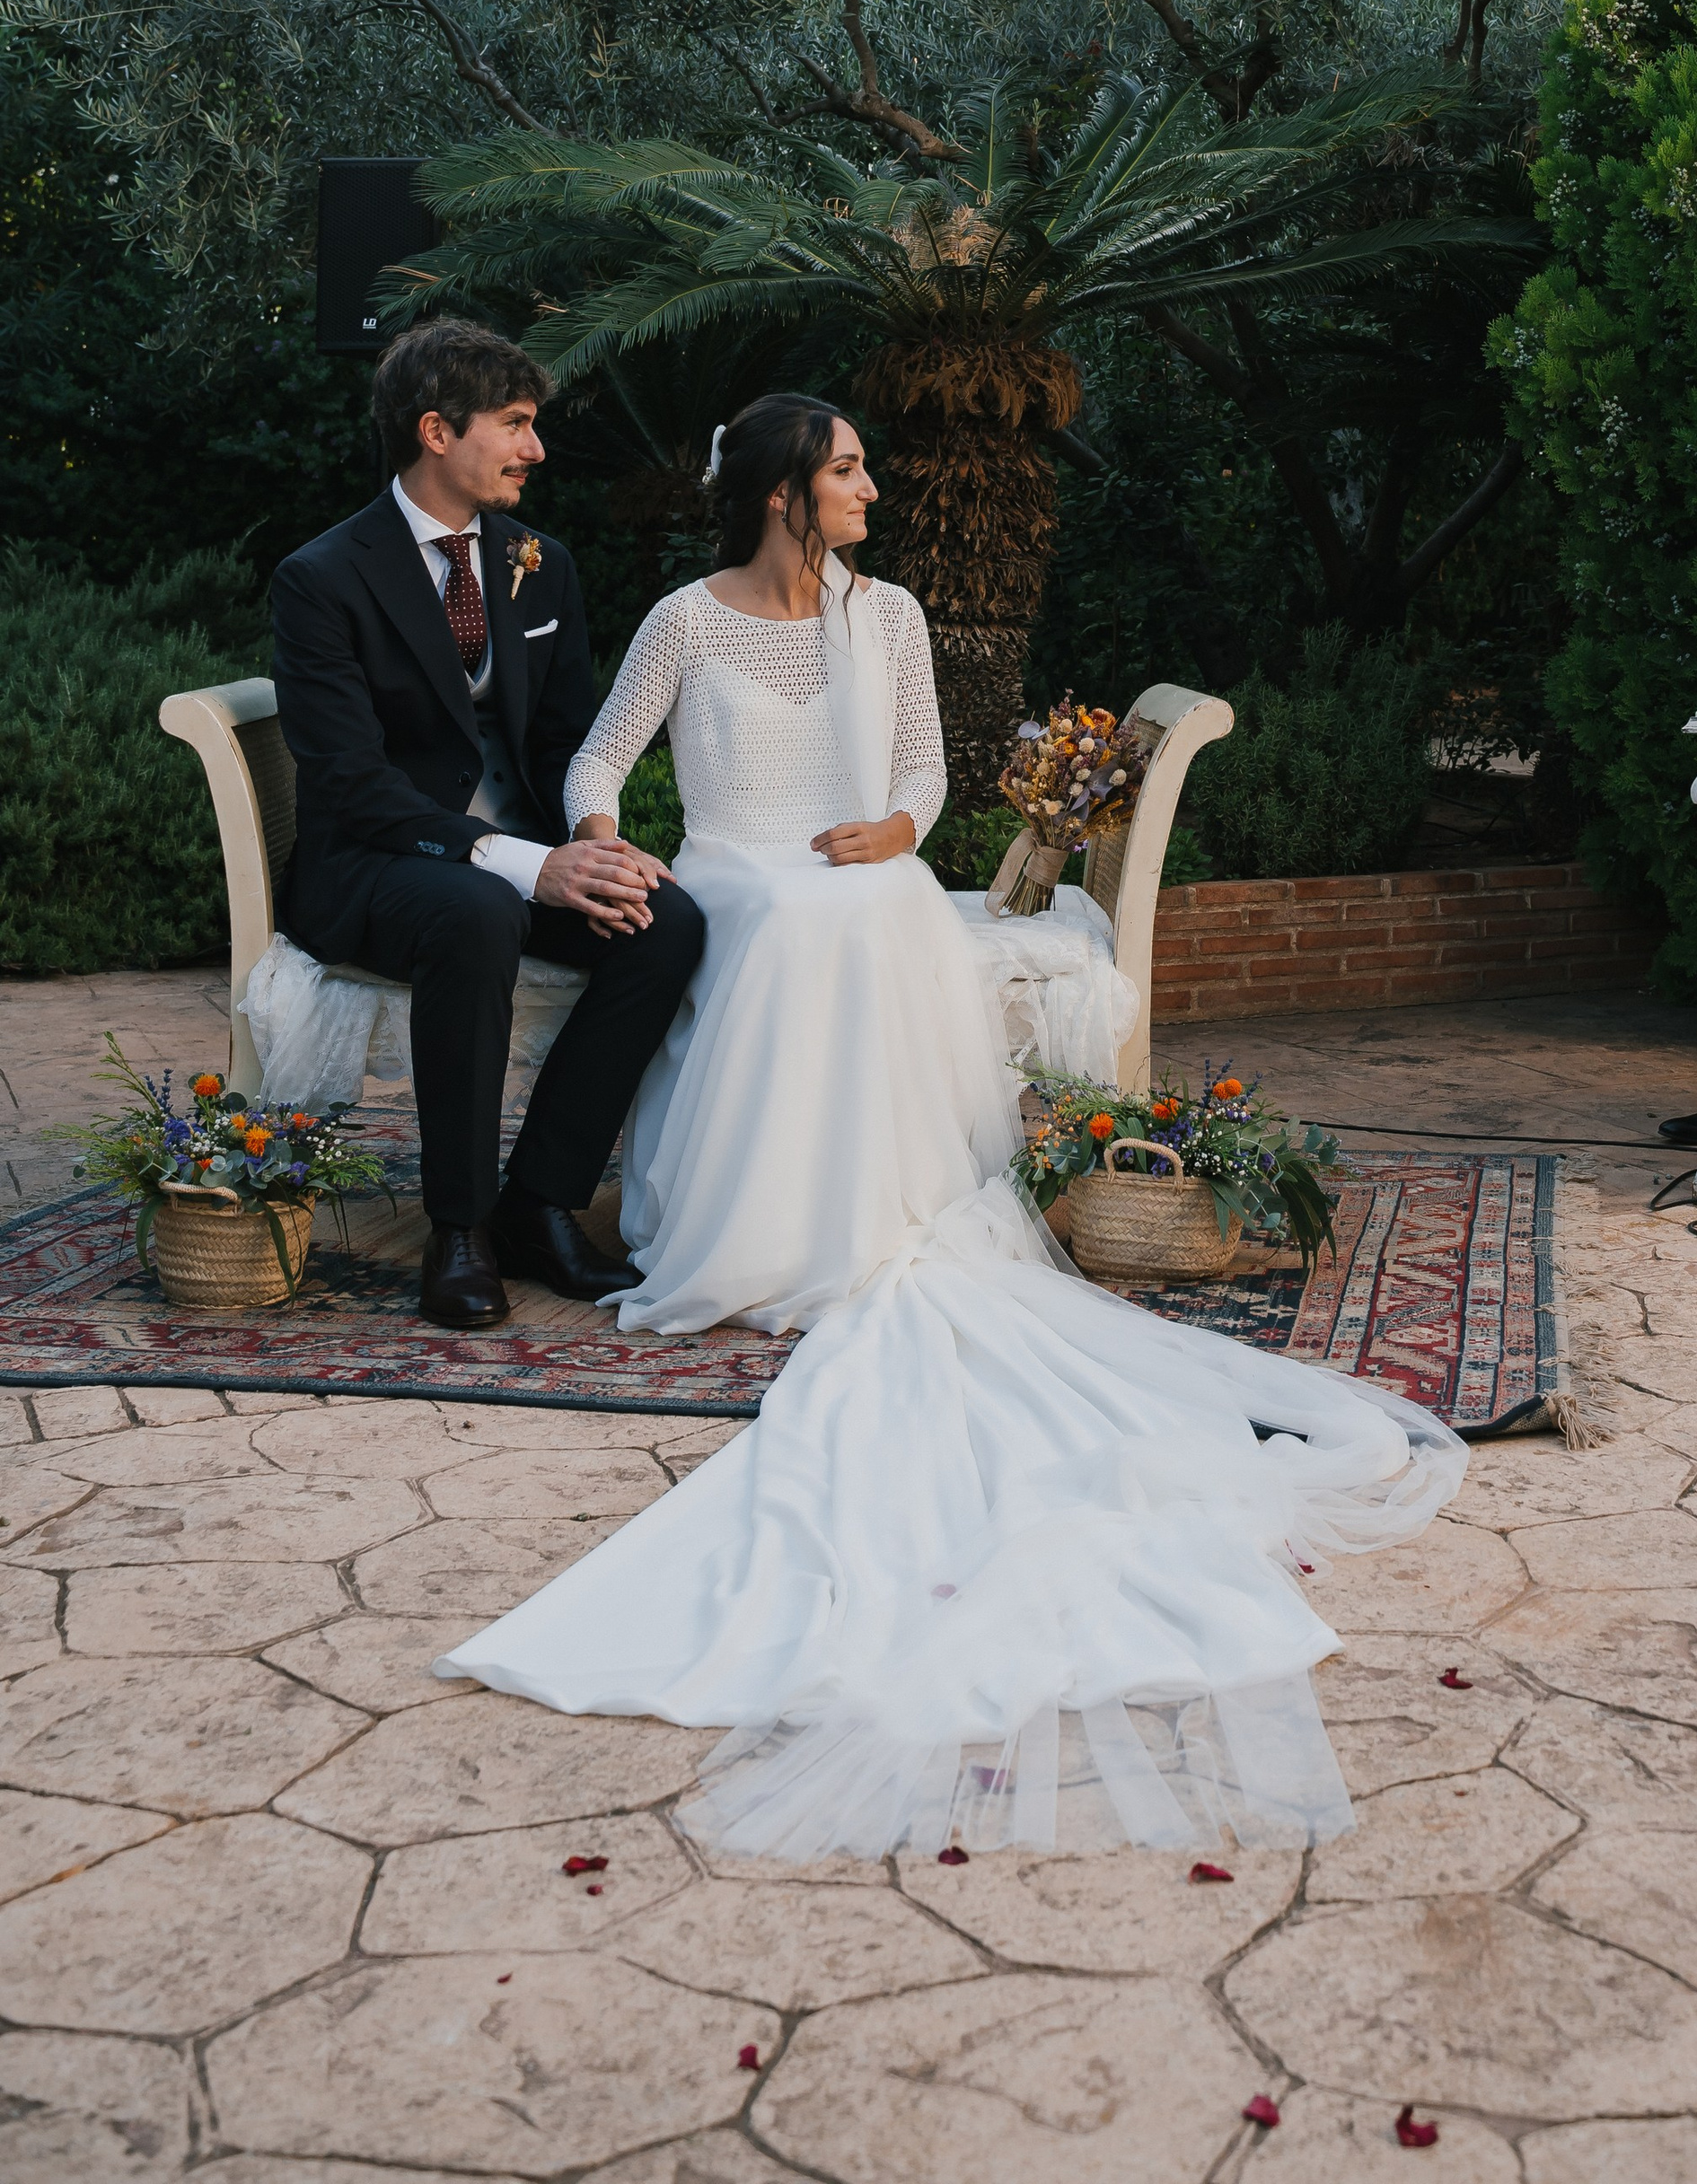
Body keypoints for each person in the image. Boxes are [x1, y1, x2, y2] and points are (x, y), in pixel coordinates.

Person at [436, 392, 1464, 1861]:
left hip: (860, 870)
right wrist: (602, 834)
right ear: (787, 492)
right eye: (849, 469)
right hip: (737, 869)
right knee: (802, 920)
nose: (873, 485)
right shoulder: (685, 618)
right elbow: (598, 762)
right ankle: (773, 1223)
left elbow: (920, 771)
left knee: (873, 906)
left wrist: (900, 830)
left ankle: (877, 1212)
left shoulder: (894, 617)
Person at [268, 320, 707, 1330]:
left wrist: (592, 842)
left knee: (668, 921)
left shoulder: (540, 565)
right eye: (514, 425)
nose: (536, 449)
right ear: (435, 430)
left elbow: (561, 743)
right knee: (475, 911)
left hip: (518, 859)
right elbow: (350, 784)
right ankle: (457, 1230)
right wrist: (523, 865)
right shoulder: (322, 579)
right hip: (379, 864)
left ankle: (537, 1205)